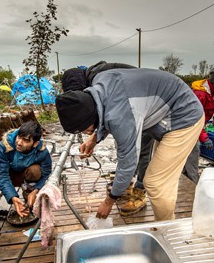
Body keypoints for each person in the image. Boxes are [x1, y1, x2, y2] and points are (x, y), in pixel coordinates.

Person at [55, 68, 205, 221]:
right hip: (165, 112)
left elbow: (128, 163)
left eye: (84, 130)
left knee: (156, 183)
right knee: (164, 181)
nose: (85, 134)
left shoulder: (122, 116)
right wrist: (95, 137)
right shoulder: (99, 83)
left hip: (184, 116)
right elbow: (105, 108)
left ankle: (166, 231)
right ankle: (165, 220)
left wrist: (109, 201)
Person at [61, 61, 149, 216]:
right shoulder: (96, 79)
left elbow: (116, 114)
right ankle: (125, 183)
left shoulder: (101, 80)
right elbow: (109, 116)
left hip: (146, 113)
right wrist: (95, 138)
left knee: (140, 153)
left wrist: (110, 200)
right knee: (124, 147)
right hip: (130, 112)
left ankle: (140, 193)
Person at [0, 121, 52, 217]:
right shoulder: (4, 146)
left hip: (26, 176)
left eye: (26, 140)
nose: (19, 143)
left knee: (35, 171)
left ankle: (29, 200)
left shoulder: (42, 151)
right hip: (7, 174)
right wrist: (13, 197)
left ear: (35, 144)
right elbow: (1, 174)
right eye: (19, 137)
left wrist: (35, 191)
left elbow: (46, 174)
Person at [182, 68, 214, 184]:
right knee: (194, 150)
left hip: (194, 127)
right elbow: (194, 118)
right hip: (188, 127)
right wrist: (204, 137)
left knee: (187, 154)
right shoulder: (200, 94)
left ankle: (184, 177)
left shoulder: (209, 93)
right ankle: (193, 182)